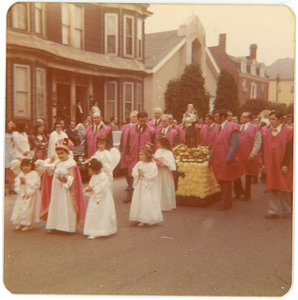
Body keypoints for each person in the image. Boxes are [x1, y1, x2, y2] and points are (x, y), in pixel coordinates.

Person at [40, 138, 86, 233]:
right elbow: (49, 173)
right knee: (56, 204)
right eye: (58, 154)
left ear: (68, 153)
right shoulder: (56, 162)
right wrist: (50, 163)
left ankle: (68, 227)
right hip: (57, 188)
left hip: (67, 189)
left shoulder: (71, 164)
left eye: (62, 153)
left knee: (67, 205)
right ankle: (54, 225)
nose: (60, 156)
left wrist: (66, 180)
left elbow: (74, 179)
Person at [210, 110, 243, 211]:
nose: (214, 119)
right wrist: (210, 158)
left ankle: (224, 203)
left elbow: (235, 144)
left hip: (226, 158)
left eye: (216, 117)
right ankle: (227, 202)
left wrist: (230, 156)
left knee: (226, 180)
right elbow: (214, 144)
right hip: (218, 158)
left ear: (222, 117)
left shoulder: (233, 127)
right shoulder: (217, 127)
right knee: (221, 180)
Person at [262, 110, 293, 219]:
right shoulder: (267, 132)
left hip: (282, 164)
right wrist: (263, 164)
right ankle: (273, 211)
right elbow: (264, 149)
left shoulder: (288, 132)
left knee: (284, 187)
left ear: (280, 119)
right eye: (270, 119)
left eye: (273, 119)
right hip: (271, 164)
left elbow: (290, 150)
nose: (271, 121)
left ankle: (287, 211)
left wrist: (285, 165)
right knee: (272, 187)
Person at [124, 111, 155, 203]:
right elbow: (127, 142)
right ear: (137, 119)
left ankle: (143, 198)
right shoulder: (131, 129)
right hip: (133, 155)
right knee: (132, 175)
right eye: (140, 121)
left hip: (144, 157)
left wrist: (150, 155)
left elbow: (153, 145)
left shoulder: (151, 130)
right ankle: (130, 196)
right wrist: (126, 153)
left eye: (144, 121)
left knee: (143, 176)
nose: (142, 123)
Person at [83, 158, 117, 239]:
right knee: (93, 212)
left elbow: (103, 186)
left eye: (90, 170)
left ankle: (101, 230)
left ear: (95, 169)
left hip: (103, 197)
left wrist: (93, 189)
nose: (89, 172)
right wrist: (89, 187)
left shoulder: (103, 175)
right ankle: (93, 230)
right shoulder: (94, 176)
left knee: (102, 213)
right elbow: (91, 183)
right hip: (95, 197)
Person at [129, 146, 163, 226]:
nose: (140, 156)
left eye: (142, 154)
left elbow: (153, 175)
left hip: (147, 186)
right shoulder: (139, 163)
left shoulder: (152, 165)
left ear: (147, 155)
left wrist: (144, 174)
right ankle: (141, 218)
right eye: (139, 154)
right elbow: (134, 172)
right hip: (140, 185)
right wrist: (138, 174)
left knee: (147, 200)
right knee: (140, 200)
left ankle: (149, 218)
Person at [234, 112, 262, 200]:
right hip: (239, 154)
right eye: (241, 116)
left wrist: (253, 153)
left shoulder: (254, 127)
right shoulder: (238, 127)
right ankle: (239, 191)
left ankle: (247, 194)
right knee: (236, 173)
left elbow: (257, 141)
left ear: (249, 119)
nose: (242, 118)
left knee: (248, 175)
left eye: (244, 117)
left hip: (249, 154)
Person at [11, 157, 41, 231]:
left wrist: (26, 181)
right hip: (22, 194)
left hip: (30, 195)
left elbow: (37, 183)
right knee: (20, 208)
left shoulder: (34, 173)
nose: (26, 168)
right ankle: (21, 222)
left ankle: (29, 224)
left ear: (31, 166)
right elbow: (17, 182)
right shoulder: (21, 173)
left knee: (29, 209)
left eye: (28, 166)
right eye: (24, 166)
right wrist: (20, 182)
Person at [154, 134, 176, 211]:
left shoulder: (168, 152)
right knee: (158, 186)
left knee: (165, 185)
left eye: (159, 143)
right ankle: (158, 204)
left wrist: (165, 164)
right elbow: (155, 159)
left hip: (165, 172)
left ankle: (166, 205)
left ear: (163, 144)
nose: (157, 144)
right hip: (159, 172)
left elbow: (171, 163)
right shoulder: (158, 151)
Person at [120, 111, 138, 191]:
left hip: (133, 151)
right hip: (125, 151)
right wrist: (121, 150)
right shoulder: (125, 127)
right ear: (130, 117)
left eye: (136, 117)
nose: (135, 118)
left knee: (133, 169)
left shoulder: (138, 127)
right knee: (125, 168)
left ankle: (132, 185)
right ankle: (129, 184)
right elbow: (121, 139)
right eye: (133, 117)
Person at [5, 120, 16, 194]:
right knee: (5, 172)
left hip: (11, 154)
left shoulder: (14, 134)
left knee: (11, 171)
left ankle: (11, 188)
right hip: (5, 153)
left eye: (13, 124)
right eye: (10, 124)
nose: (11, 125)